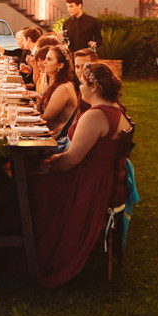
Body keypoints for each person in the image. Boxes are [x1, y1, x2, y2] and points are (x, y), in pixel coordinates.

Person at [29, 61, 132, 287]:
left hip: (91, 184)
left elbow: (72, 159)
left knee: (35, 185)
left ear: (94, 87)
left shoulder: (96, 116)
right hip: (108, 179)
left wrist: (47, 165)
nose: (80, 88)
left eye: (83, 84)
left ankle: (35, 246)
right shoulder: (116, 110)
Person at [38, 45, 78, 136]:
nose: (44, 62)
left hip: (57, 137)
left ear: (60, 65)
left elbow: (46, 118)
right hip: (49, 133)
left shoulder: (63, 88)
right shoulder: (55, 82)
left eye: (49, 59)